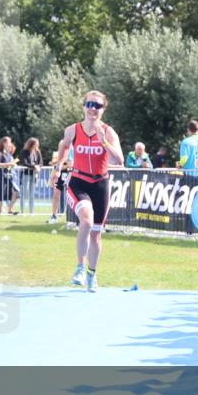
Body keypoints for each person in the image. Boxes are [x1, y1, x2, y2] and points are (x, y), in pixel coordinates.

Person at [53, 91, 123, 292]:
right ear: (83, 106)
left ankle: (92, 273)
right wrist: (59, 166)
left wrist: (104, 142)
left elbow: (119, 160)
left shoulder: (109, 132)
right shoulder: (72, 130)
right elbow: (65, 146)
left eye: (98, 106)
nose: (93, 108)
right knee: (86, 219)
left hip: (100, 185)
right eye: (90, 104)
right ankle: (80, 267)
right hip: (79, 182)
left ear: (103, 110)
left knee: (95, 234)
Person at [0, 136, 19, 215]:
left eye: (10, 142)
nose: (10, 144)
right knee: (0, 194)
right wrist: (9, 164)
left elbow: (9, 164)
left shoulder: (8, 154)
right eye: (8, 142)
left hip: (9, 176)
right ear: (3, 143)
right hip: (0, 175)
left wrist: (12, 165)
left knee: (16, 192)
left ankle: (10, 209)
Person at [19, 137, 42, 215]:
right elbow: (24, 163)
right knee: (24, 193)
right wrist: (34, 167)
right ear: (31, 144)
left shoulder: (37, 152)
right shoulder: (24, 152)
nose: (37, 146)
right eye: (36, 144)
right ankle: (22, 212)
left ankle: (31, 212)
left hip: (34, 175)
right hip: (26, 174)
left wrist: (38, 167)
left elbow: (41, 162)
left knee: (32, 194)